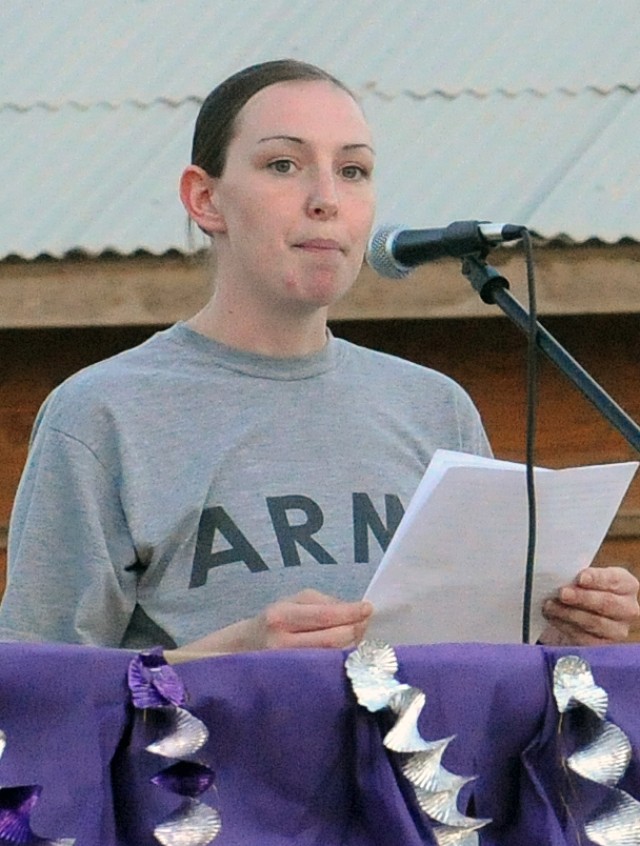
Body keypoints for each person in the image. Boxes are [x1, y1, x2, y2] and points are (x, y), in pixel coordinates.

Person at [1, 60, 637, 657]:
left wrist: (559, 638)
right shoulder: (102, 414)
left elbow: (478, 665)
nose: (326, 198)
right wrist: (231, 655)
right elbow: (39, 693)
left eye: (353, 171)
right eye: (283, 165)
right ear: (205, 200)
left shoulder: (434, 407)